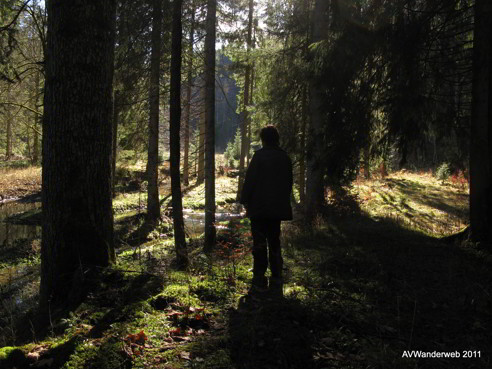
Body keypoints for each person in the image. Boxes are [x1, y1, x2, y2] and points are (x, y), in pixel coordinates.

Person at [240, 125, 293, 293]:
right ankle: (276, 275)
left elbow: (250, 181)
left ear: (263, 139)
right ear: (276, 138)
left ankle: (259, 276)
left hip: (259, 208)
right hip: (276, 208)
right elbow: (288, 183)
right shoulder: (284, 157)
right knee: (274, 240)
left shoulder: (259, 157)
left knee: (259, 241)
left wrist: (244, 200)